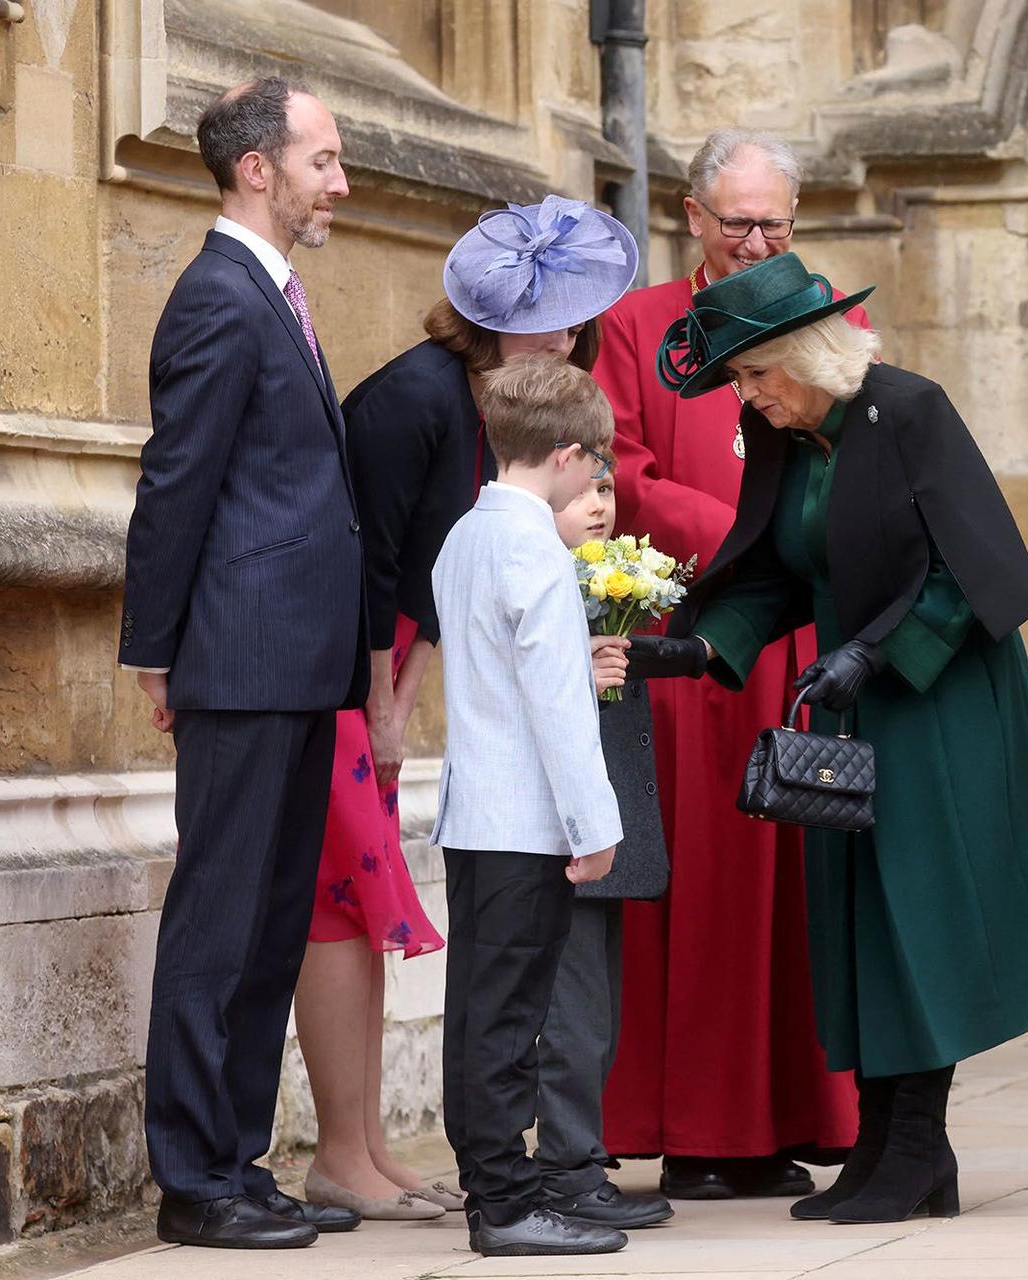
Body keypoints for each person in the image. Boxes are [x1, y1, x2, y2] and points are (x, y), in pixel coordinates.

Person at [658, 253, 1028, 1224]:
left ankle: (919, 1144)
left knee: (918, 915)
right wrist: (698, 649)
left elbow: (965, 569)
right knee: (857, 915)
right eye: (737, 377)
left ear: (808, 353)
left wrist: (873, 655)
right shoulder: (784, 433)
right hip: (853, 697)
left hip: (937, 692)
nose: (747, 393)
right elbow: (772, 570)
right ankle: (885, 1144)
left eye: (757, 371)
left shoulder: (908, 409)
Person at [294, 195, 638, 1222]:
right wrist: (381, 696)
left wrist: (413, 682)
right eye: (553, 320)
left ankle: (377, 1150)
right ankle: (346, 1149)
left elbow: (451, 578)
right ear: (496, 315)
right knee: (353, 899)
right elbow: (374, 560)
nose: (572, 339)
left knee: (401, 916)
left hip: (404, 664)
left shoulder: (506, 444)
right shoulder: (416, 399)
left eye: (580, 323)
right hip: (349, 667)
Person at [592, 128, 863, 1201]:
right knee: (706, 891)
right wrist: (739, 534)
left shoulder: (828, 313)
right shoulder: (636, 325)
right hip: (696, 646)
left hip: (800, 640)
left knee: (798, 885)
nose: (757, 241)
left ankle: (793, 1115)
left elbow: (861, 444)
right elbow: (618, 464)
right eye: (737, 221)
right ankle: (698, 1122)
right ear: (692, 217)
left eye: (776, 222)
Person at [119, 77, 364, 1249]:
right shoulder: (218, 295)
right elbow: (178, 485)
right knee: (219, 922)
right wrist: (154, 652)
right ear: (257, 168)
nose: (342, 182)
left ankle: (237, 1156)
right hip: (239, 655)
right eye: (324, 159)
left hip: (299, 661)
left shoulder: (275, 292)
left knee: (271, 925)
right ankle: (192, 1178)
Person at [430, 355, 628, 1258]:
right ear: (568, 454)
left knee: (478, 1012)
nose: (598, 478)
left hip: (475, 815)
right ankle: (506, 1204)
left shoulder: (466, 535)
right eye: (598, 462)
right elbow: (556, 708)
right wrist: (597, 828)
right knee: (510, 1020)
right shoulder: (538, 556)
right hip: (527, 825)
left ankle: (492, 1188)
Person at [535, 472, 704, 1229]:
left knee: (599, 1012)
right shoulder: (540, 583)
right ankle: (564, 1170)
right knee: (572, 1016)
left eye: (606, 487)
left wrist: (702, 650)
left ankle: (578, 1157)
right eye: (579, 494)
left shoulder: (605, 582)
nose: (600, 504)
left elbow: (631, 659)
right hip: (567, 838)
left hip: (609, 832)